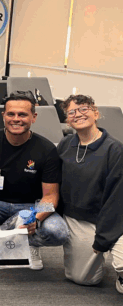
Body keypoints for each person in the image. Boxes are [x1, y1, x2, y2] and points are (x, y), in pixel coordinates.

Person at [0, 94, 69, 269]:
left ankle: (31, 244)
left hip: (30, 206)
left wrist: (34, 219)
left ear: (33, 117)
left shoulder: (47, 150)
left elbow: (51, 197)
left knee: (58, 232)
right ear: (3, 116)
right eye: (11, 114)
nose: (16, 119)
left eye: (22, 115)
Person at [57, 95, 123, 292]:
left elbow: (117, 199)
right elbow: (52, 184)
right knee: (84, 279)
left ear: (96, 113)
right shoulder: (65, 145)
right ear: (67, 120)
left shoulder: (115, 149)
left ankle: (121, 273)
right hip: (80, 218)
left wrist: (103, 238)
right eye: (72, 112)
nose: (78, 114)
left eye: (84, 109)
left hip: (115, 217)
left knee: (122, 262)